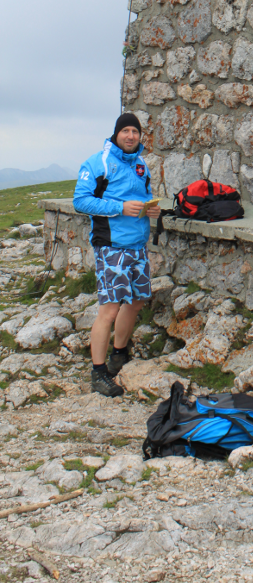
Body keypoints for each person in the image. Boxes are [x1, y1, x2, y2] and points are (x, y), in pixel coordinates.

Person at [73, 113, 161, 397]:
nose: (131, 136)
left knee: (135, 302)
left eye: (135, 131)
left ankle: (119, 354)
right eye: (125, 130)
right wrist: (120, 208)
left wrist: (152, 209)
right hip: (110, 245)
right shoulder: (97, 162)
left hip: (137, 246)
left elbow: (142, 199)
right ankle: (98, 372)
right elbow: (81, 201)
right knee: (109, 309)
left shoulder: (140, 165)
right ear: (116, 134)